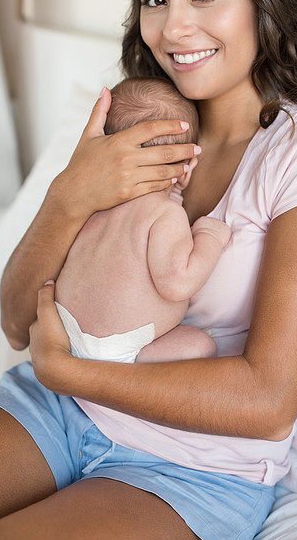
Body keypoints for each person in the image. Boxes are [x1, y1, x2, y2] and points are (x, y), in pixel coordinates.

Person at [0, 0, 297, 540]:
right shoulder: (142, 120)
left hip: (189, 464)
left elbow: (267, 399)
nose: (173, 28)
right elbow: (17, 320)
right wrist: (69, 195)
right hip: (52, 407)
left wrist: (74, 372)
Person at [55, 75, 230, 366]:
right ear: (187, 170)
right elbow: (178, 282)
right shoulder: (164, 213)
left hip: (65, 333)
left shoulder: (93, 205)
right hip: (119, 352)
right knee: (200, 345)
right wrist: (210, 236)